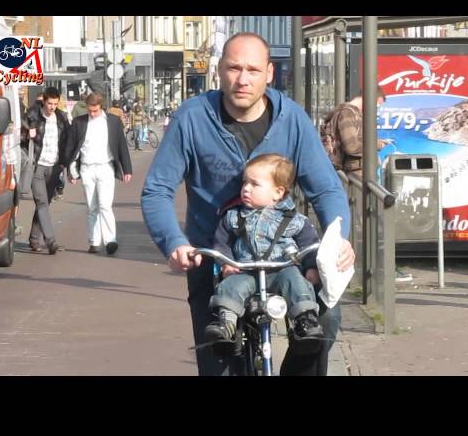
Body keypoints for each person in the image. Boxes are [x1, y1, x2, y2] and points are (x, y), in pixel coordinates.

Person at [141, 32, 355, 376]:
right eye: (234, 68)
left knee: (325, 318)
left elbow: (326, 189)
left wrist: (337, 237)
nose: (243, 79)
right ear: (219, 72)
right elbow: (157, 189)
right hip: (218, 258)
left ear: (269, 73)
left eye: (253, 70)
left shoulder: (293, 119)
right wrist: (175, 242)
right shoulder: (192, 119)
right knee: (218, 352)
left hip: (285, 256)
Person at [205, 153, 324, 349]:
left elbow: (309, 244)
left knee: (297, 283)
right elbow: (221, 242)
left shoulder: (295, 220)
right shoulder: (233, 216)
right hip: (246, 270)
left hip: (282, 269)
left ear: (278, 192)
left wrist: (311, 266)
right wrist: (226, 262)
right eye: (245, 183)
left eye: (254, 184)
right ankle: (225, 323)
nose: (246, 189)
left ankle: (306, 320)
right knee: (230, 287)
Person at [66, 92, 133, 255]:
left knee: (105, 205)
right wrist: (70, 170)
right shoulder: (79, 122)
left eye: (95, 110)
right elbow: (71, 146)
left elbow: (121, 145)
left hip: (105, 167)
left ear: (100, 107)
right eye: (89, 110)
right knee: (91, 206)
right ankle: (94, 242)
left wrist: (127, 169)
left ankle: (110, 240)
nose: (92, 114)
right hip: (87, 168)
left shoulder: (113, 121)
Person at [26, 87, 70, 254]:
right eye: (50, 103)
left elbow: (67, 140)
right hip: (37, 166)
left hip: (54, 167)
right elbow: (20, 136)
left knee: (44, 204)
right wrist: (27, 133)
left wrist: (64, 163)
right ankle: (50, 241)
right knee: (42, 202)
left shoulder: (62, 118)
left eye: (55, 104)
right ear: (43, 101)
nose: (52, 107)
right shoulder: (32, 116)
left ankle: (33, 239)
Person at [321, 87, 386, 179]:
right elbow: (351, 146)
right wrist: (377, 144)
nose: (375, 109)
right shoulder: (348, 113)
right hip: (355, 174)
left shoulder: (349, 112)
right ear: (369, 98)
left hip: (352, 173)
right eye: (377, 105)